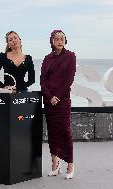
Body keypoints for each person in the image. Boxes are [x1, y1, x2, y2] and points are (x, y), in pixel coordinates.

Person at [40, 30, 76, 179]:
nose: (59, 41)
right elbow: (43, 81)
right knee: (52, 132)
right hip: (49, 102)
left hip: (62, 101)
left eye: (62, 38)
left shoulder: (70, 56)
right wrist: (49, 97)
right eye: (56, 39)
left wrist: (57, 97)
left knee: (65, 132)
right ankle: (55, 164)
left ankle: (70, 164)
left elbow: (69, 79)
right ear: (52, 41)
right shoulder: (47, 58)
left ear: (65, 41)